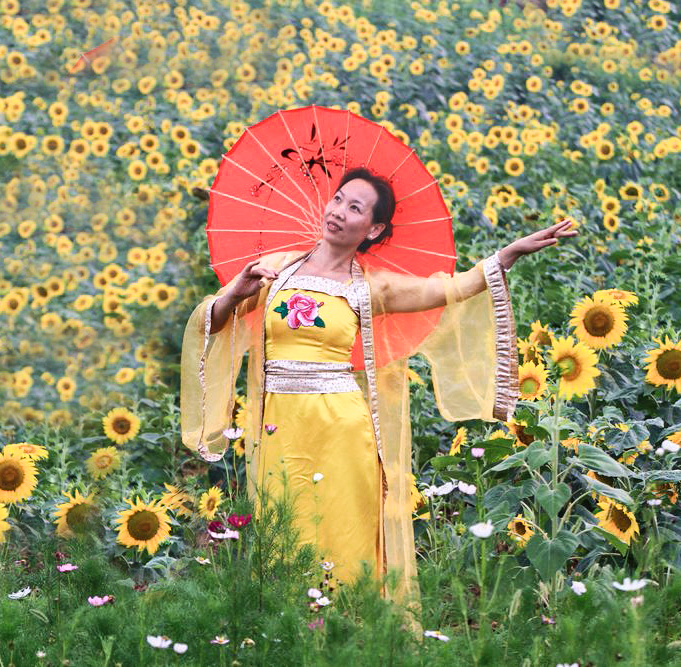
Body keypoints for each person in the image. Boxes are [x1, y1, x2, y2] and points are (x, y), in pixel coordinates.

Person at [180, 166, 577, 627]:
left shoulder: (371, 286)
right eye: (338, 199)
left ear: (372, 229)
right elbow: (216, 321)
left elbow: (448, 289)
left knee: (343, 533)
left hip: (342, 430)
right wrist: (236, 293)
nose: (338, 212)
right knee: (285, 529)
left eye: (355, 208)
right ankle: (290, 634)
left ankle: (350, 634)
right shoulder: (277, 268)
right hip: (278, 429)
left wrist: (506, 256)